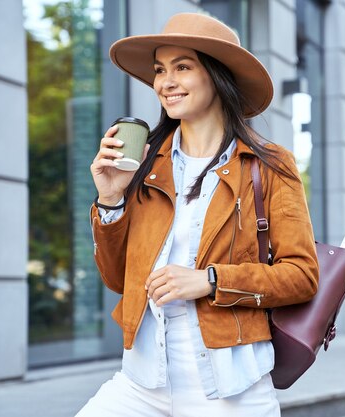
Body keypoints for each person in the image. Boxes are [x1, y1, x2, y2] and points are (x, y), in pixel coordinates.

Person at [77, 12, 318, 417]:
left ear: (217, 76)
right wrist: (111, 200)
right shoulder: (144, 164)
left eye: (183, 67)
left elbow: (302, 276)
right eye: (159, 70)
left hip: (230, 389)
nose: (165, 82)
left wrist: (210, 281)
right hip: (141, 383)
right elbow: (120, 280)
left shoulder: (269, 165)